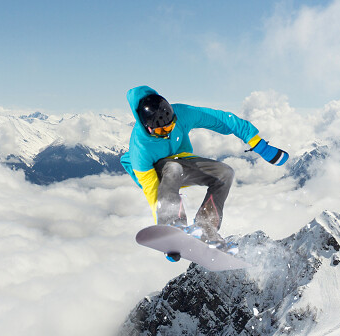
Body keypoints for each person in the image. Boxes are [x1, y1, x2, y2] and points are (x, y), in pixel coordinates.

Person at [120, 85, 289, 250]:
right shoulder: (140, 148)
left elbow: (221, 119)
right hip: (157, 174)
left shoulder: (182, 113)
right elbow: (152, 191)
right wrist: (166, 237)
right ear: (148, 128)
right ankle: (172, 226)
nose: (168, 133)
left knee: (225, 173)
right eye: (161, 131)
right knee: (172, 169)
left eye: (170, 127)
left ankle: (206, 229)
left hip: (181, 161)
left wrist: (259, 145)